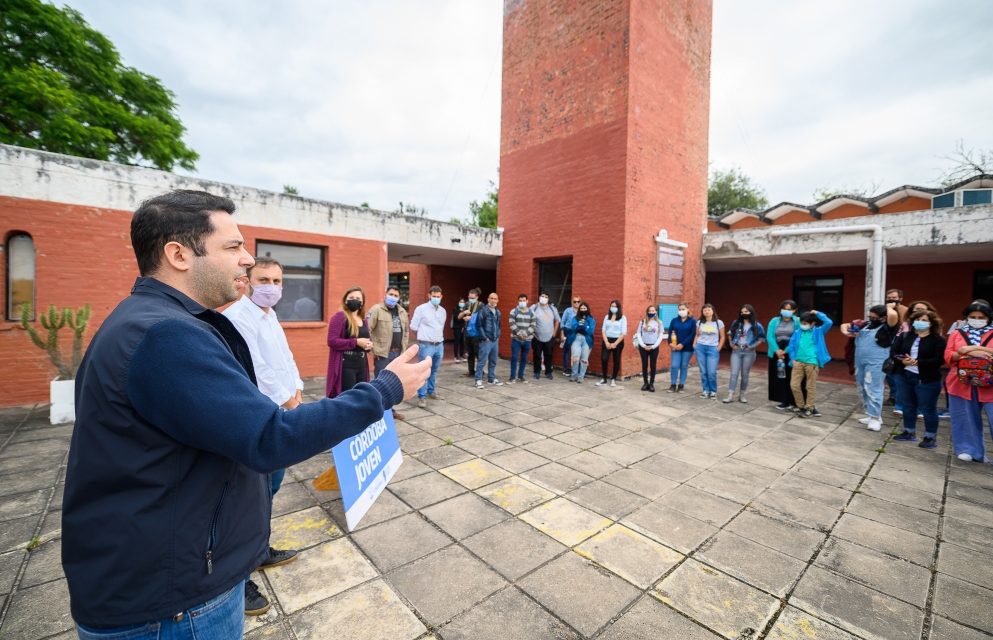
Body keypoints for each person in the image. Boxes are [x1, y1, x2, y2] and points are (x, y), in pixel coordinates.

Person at [62, 190, 429, 636]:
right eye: (233, 246)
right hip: (173, 604)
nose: (249, 260)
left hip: (156, 579)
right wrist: (385, 390)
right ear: (178, 254)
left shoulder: (146, 320)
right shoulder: (165, 335)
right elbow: (270, 437)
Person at [222, 259, 301, 615]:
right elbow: (258, 367)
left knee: (270, 489)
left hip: (280, 414)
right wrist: (286, 394)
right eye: (264, 279)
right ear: (248, 281)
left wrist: (296, 389)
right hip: (258, 416)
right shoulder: (239, 317)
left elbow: (285, 357)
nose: (271, 285)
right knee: (247, 502)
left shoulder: (270, 314)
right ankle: (238, 581)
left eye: (277, 280)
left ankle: (261, 550)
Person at [315, 287, 374, 490]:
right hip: (345, 365)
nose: (355, 300)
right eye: (351, 298)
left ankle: (354, 433)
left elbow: (364, 340)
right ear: (345, 299)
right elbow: (332, 341)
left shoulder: (363, 319)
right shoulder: (340, 316)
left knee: (359, 399)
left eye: (358, 298)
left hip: (360, 364)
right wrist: (355, 341)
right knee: (347, 401)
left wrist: (367, 345)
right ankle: (342, 436)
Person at [890, 309, 947, 448]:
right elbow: (894, 353)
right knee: (908, 406)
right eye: (918, 319)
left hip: (927, 379)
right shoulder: (905, 336)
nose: (920, 322)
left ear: (932, 323)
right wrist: (902, 361)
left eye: (924, 320)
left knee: (928, 409)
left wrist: (917, 362)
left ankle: (929, 437)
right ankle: (909, 432)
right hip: (905, 376)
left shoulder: (938, 340)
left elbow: (939, 360)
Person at [945, 301, 993, 462]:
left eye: (981, 317)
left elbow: (963, 351)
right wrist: (966, 353)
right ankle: (969, 450)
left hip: (990, 383)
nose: (977, 319)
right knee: (964, 416)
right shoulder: (958, 333)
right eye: (973, 317)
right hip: (961, 381)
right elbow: (949, 354)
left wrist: (969, 350)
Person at [840, 304, 899, 432]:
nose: (871, 319)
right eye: (870, 316)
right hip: (860, 360)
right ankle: (870, 413)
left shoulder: (888, 328)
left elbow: (893, 315)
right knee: (862, 387)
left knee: (873, 387)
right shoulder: (864, 324)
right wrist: (847, 333)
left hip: (877, 361)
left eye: (875, 317)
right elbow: (844, 325)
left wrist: (888, 306)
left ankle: (876, 418)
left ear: (884, 318)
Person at [367, 286, 409, 421]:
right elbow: (367, 329)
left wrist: (404, 350)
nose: (393, 297)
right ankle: (377, 412)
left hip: (397, 354)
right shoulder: (376, 310)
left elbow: (406, 332)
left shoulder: (402, 311)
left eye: (396, 295)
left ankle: (390, 410)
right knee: (380, 383)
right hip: (383, 354)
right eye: (390, 294)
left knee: (392, 384)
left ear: (399, 298)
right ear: (385, 294)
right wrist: (374, 349)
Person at [786, 310, 833, 418]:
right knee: (794, 385)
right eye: (802, 323)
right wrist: (793, 359)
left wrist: (817, 313)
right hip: (798, 362)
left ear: (813, 323)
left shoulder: (819, 331)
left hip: (812, 363)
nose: (803, 325)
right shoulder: (798, 332)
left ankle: (809, 408)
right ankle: (801, 406)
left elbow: (829, 322)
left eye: (805, 323)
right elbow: (792, 346)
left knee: (810, 386)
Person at [410, 285, 447, 408]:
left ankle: (431, 391)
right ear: (429, 296)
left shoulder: (442, 311)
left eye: (438, 296)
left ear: (441, 297)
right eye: (434, 296)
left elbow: (440, 327)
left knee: (434, 370)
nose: (436, 298)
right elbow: (413, 326)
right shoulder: (421, 309)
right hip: (426, 345)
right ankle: (422, 396)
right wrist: (424, 335)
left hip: (439, 345)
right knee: (424, 371)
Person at [724, 304, 765, 403]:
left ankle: (742, 395)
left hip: (749, 352)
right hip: (736, 351)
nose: (744, 314)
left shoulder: (757, 325)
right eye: (742, 312)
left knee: (745, 374)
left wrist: (753, 346)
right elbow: (729, 333)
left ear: (751, 312)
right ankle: (730, 395)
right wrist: (731, 343)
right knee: (734, 373)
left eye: (746, 312)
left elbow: (762, 338)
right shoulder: (736, 323)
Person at [767, 300, 802, 410]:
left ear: (794, 310)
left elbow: (797, 338)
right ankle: (783, 400)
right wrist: (777, 350)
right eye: (785, 309)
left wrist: (785, 351)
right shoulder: (774, 320)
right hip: (776, 351)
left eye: (789, 309)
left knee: (792, 377)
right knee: (779, 377)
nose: (786, 311)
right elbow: (770, 336)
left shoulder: (798, 321)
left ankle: (794, 401)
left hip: (791, 351)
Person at [693, 303, 725, 399]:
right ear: (702, 312)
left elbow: (723, 336)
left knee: (711, 372)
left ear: (713, 311)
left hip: (712, 348)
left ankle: (713, 391)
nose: (707, 311)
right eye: (705, 310)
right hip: (700, 348)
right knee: (703, 371)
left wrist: (719, 347)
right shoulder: (699, 322)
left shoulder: (718, 322)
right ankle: (705, 390)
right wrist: (694, 344)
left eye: (709, 309)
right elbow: (697, 335)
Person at [884, 288, 909, 407]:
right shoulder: (883, 309)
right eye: (889, 297)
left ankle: (900, 396)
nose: (891, 300)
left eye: (894, 297)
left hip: (900, 343)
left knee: (898, 371)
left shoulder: (906, 311)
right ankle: (893, 395)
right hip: (885, 343)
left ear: (900, 298)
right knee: (888, 370)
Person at [666, 302, 696, 393]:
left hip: (687, 348)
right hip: (675, 347)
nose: (681, 311)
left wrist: (682, 344)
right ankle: (673, 384)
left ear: (688, 310)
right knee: (674, 366)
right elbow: (670, 332)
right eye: (679, 309)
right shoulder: (674, 320)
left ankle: (681, 385)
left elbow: (693, 334)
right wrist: (670, 343)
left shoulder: (693, 321)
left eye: (683, 309)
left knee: (683, 366)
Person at [475, 292, 503, 388]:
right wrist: (485, 337)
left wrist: (498, 335)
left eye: (495, 298)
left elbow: (499, 326)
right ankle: (478, 380)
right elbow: (479, 325)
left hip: (495, 340)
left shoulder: (498, 312)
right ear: (488, 299)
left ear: (497, 300)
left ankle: (491, 378)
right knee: (482, 361)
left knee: (493, 360)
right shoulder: (483, 310)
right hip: (486, 340)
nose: (493, 300)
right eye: (491, 298)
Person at [531, 292, 561, 380]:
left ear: (548, 299)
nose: (544, 298)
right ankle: (537, 372)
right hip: (536, 337)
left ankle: (548, 372)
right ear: (539, 297)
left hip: (549, 337)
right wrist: (531, 332)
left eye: (546, 297)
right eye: (542, 296)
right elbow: (529, 318)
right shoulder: (534, 307)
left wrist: (554, 333)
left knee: (549, 355)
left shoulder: (552, 308)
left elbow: (557, 321)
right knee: (537, 355)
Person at [598, 299, 627, 387]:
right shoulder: (607, 317)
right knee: (604, 358)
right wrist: (606, 342)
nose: (613, 308)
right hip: (607, 340)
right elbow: (603, 330)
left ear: (618, 308)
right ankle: (604, 378)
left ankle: (613, 379)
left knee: (616, 360)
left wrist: (615, 343)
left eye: (615, 306)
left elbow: (623, 332)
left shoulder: (623, 317)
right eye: (612, 306)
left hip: (618, 341)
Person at [508, 293, 536, 383]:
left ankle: (521, 376)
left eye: (524, 300)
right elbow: (512, 324)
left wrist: (526, 334)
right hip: (516, 339)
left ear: (527, 301)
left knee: (524, 359)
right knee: (514, 358)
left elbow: (533, 325)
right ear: (518, 301)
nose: (522, 302)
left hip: (527, 340)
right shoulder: (513, 311)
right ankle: (512, 377)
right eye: (520, 300)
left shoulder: (532, 313)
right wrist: (519, 333)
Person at [636, 305, 664, 392]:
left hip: (654, 347)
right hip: (643, 346)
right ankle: (645, 383)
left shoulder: (659, 323)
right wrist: (643, 345)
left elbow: (660, 336)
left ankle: (651, 384)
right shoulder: (642, 322)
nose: (651, 312)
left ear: (656, 312)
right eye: (650, 311)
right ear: (647, 312)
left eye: (653, 311)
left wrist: (653, 346)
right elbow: (638, 334)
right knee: (644, 365)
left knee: (653, 365)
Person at [459, 288, 482, 377]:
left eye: (473, 297)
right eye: (470, 297)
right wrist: (464, 312)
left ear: (477, 297)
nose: (471, 299)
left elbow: (482, 318)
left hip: (477, 333)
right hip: (467, 332)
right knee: (470, 353)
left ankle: (480, 371)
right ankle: (471, 371)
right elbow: (459, 316)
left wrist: (471, 318)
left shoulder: (481, 305)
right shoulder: (467, 304)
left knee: (478, 353)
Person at [560, 296, 581, 376]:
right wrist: (562, 333)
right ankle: (565, 369)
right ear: (572, 302)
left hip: (577, 332)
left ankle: (574, 369)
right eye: (574, 301)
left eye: (578, 301)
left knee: (576, 351)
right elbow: (563, 321)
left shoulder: (581, 311)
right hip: (567, 331)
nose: (576, 303)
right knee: (566, 351)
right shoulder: (568, 310)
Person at [451, 297, 467, 363]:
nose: (462, 303)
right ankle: (456, 356)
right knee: (457, 341)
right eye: (461, 302)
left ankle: (461, 355)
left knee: (462, 342)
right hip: (457, 328)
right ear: (458, 303)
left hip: (463, 327)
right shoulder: (455, 309)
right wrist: (463, 314)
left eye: (463, 302)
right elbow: (458, 318)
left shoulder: (465, 309)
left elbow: (466, 319)